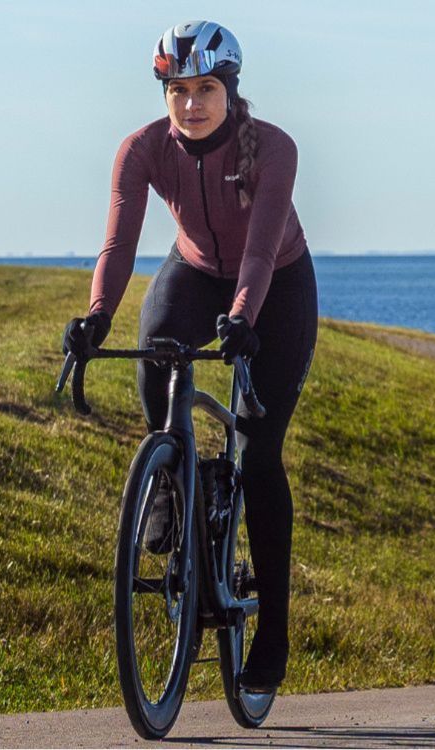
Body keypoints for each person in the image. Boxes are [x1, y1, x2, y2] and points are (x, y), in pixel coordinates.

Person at [62, 19, 314, 695]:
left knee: (259, 455)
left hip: (276, 286)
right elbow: (117, 245)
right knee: (154, 356)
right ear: (165, 93)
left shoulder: (274, 150)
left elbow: (260, 250)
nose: (192, 103)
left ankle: (274, 634)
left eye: (206, 88)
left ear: (230, 90)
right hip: (195, 272)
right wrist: (95, 317)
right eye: (178, 90)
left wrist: (242, 318)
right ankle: (172, 482)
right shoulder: (142, 149)